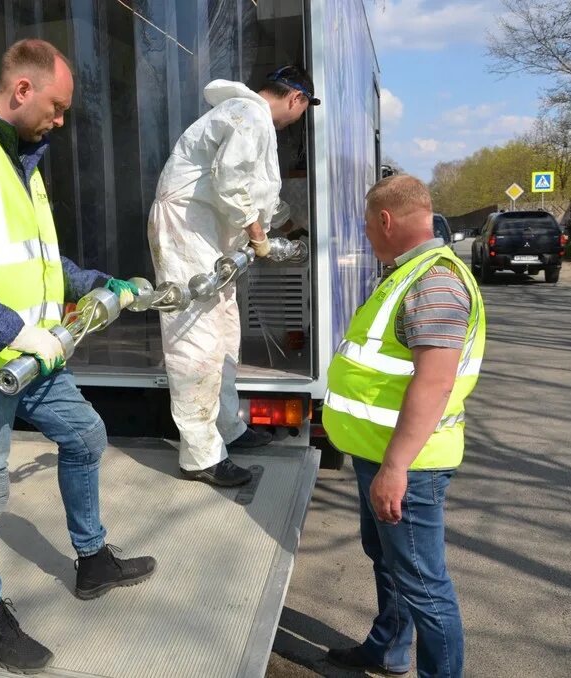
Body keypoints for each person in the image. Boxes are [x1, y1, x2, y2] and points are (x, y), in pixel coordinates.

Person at [0, 39, 156, 675]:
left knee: (86, 434)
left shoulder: (21, 161)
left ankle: (92, 560)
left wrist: (98, 283)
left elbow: (38, 263)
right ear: (21, 90)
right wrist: (13, 331)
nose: (61, 121)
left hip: (35, 358)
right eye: (58, 106)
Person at [323, 174, 486, 678]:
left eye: (369, 225)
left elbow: (433, 384)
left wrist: (395, 467)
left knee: (424, 584)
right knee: (388, 562)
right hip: (380, 453)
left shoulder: (434, 281)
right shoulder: (407, 274)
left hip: (408, 465)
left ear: (386, 220)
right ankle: (388, 650)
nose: (367, 235)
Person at [147, 65, 320, 487]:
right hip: (187, 229)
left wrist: (284, 226)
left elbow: (254, 191)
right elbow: (231, 181)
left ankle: (227, 428)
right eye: (304, 109)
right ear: (297, 99)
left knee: (224, 336)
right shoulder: (251, 114)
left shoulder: (247, 117)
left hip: (208, 235)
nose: (300, 118)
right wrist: (259, 236)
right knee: (196, 342)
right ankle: (200, 455)